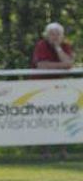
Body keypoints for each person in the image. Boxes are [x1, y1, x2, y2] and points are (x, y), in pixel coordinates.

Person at [31, 22, 76, 159]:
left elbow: (69, 63)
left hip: (60, 88)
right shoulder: (41, 45)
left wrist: (58, 48)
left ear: (62, 36)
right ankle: (45, 152)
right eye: (52, 34)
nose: (55, 37)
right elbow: (42, 66)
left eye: (58, 34)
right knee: (43, 119)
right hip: (40, 88)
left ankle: (63, 151)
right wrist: (63, 65)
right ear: (46, 35)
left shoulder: (65, 46)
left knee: (63, 117)